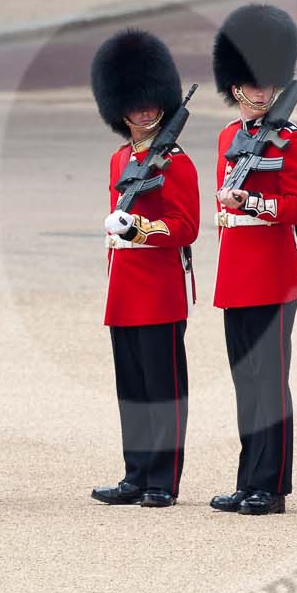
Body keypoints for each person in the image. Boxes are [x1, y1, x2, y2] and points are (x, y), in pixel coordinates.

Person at [206, 5, 297, 516]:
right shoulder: (229, 138)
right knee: (244, 382)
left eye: (269, 85)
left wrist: (251, 204)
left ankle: (271, 486)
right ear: (236, 88)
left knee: (270, 382)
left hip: (273, 275)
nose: (262, 94)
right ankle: (248, 477)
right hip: (236, 274)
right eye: (252, 85)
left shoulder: (292, 141)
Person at [89, 29, 200, 508]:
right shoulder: (119, 158)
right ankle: (135, 472)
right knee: (132, 390)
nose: (145, 112)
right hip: (124, 291)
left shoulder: (175, 162)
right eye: (134, 105)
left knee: (162, 388)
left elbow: (186, 226)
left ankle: (163, 478)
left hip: (158, 289)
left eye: (151, 103)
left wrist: (139, 230)